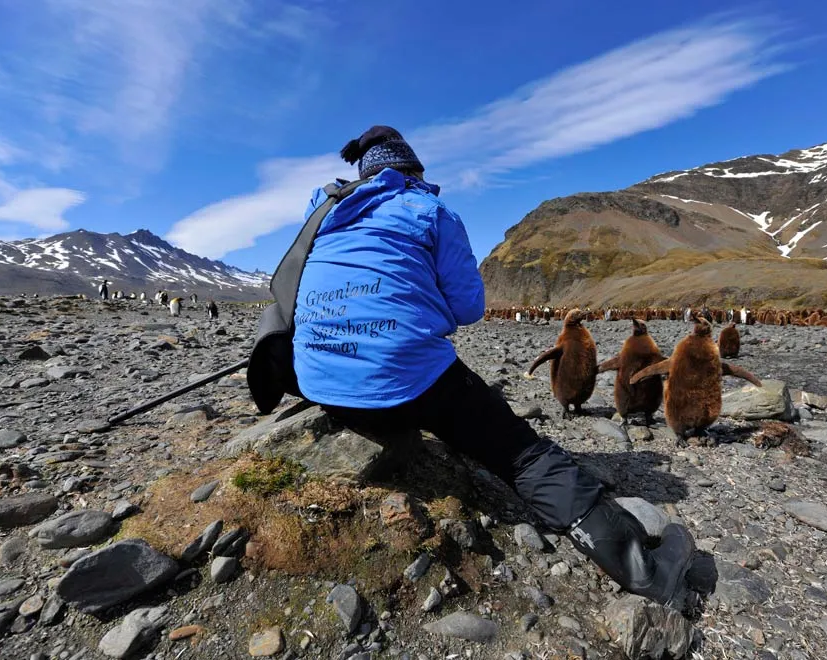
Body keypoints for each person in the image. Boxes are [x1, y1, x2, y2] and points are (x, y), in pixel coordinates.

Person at [290, 125, 711, 613]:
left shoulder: (322, 212)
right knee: (524, 455)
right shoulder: (428, 209)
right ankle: (646, 571)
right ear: (413, 172)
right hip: (407, 378)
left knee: (434, 401)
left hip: (319, 382)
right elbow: (469, 307)